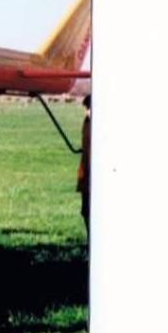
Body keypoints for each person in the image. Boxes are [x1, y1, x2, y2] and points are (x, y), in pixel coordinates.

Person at [76, 94, 91, 234]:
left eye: (89, 108)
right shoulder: (87, 122)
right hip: (86, 172)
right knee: (86, 210)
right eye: (86, 108)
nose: (87, 111)